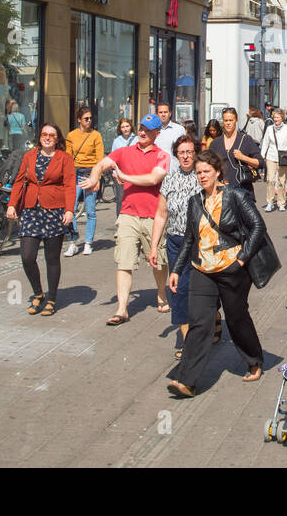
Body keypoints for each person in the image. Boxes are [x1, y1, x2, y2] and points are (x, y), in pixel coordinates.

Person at [167, 151, 266, 397]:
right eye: (199, 173)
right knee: (200, 321)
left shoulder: (235, 196)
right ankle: (187, 381)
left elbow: (257, 226)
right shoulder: (195, 202)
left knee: (236, 318)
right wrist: (177, 269)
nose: (202, 176)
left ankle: (254, 359)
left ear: (217, 172)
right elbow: (190, 239)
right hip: (203, 269)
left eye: (206, 172)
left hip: (232, 269)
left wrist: (242, 258)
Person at [86, 113, 170, 325]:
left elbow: (153, 178)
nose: (142, 132)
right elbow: (102, 164)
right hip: (128, 214)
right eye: (141, 128)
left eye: (148, 130)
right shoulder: (123, 151)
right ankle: (122, 308)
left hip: (154, 216)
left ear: (157, 133)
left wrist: (125, 178)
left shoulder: (162, 156)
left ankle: (162, 294)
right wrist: (95, 176)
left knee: (158, 261)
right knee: (124, 262)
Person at [6, 122, 76, 317]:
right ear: (39, 137)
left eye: (51, 135)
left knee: (51, 258)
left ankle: (51, 297)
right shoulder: (29, 156)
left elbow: (70, 185)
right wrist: (12, 204)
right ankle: (38, 293)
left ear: (57, 139)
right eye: (44, 134)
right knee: (27, 256)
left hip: (54, 211)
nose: (47, 137)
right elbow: (20, 181)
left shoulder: (64, 158)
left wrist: (69, 210)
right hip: (31, 211)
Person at [150, 136, 202, 357]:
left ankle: (209, 323)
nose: (186, 156)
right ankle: (186, 339)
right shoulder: (170, 179)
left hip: (200, 243)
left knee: (200, 290)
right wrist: (154, 246)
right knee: (179, 290)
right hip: (175, 241)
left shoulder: (203, 176)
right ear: (176, 154)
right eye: (182, 152)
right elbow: (161, 214)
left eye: (190, 152)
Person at [64, 105, 104, 257]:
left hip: (90, 173)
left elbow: (100, 159)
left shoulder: (96, 136)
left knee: (90, 210)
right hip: (75, 173)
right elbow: (68, 157)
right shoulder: (71, 136)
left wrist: (97, 178)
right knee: (70, 209)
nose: (89, 121)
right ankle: (73, 241)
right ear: (79, 120)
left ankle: (88, 243)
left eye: (90, 118)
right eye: (86, 119)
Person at [210, 107, 262, 204]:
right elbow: (209, 167)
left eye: (231, 120)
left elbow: (260, 163)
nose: (228, 123)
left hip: (243, 190)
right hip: (222, 193)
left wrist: (243, 158)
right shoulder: (215, 143)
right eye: (226, 120)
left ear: (236, 121)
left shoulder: (246, 139)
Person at [260, 108, 287, 212]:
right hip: (271, 157)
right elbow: (265, 142)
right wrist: (261, 156)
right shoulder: (269, 129)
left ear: (282, 118)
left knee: (282, 181)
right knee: (270, 180)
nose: (276, 119)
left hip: (283, 157)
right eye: (274, 117)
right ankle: (270, 202)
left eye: (278, 117)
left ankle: (281, 202)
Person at [108, 116, 137, 219]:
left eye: (127, 126)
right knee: (120, 198)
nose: (125, 129)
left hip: (133, 174)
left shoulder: (137, 139)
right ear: (120, 129)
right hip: (120, 174)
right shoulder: (117, 141)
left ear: (131, 127)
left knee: (133, 197)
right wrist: (115, 174)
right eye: (123, 127)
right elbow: (113, 158)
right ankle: (120, 220)